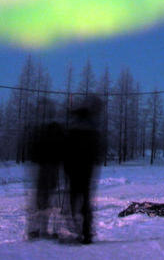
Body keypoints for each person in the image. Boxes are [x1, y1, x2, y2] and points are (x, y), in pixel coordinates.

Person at [63, 100, 101, 244]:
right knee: (85, 202)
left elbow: (66, 152)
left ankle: (77, 230)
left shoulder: (72, 131)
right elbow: (96, 153)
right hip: (86, 172)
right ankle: (86, 232)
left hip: (74, 171)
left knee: (74, 202)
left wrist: (66, 169)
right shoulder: (92, 132)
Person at [27, 120, 64, 239]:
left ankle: (37, 230)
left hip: (43, 180)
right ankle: (53, 230)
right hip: (52, 179)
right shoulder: (58, 144)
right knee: (54, 207)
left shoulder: (41, 143)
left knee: (41, 206)